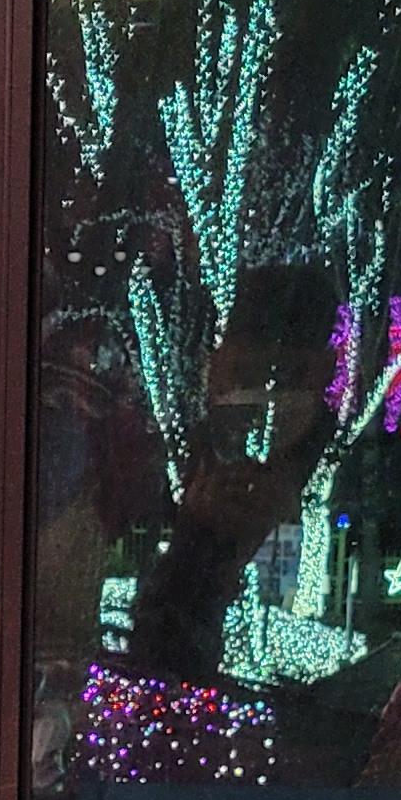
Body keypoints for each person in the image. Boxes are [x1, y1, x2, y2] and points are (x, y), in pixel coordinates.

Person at [124, 259, 343, 684]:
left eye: (283, 375)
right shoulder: (194, 472)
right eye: (244, 375)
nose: (260, 394)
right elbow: (163, 648)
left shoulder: (352, 476)